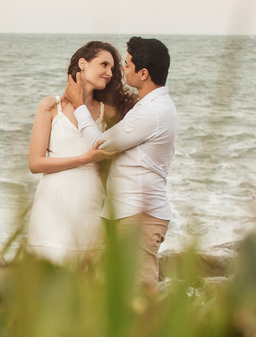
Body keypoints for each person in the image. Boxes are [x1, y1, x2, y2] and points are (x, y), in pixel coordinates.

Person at [62, 36, 178, 287]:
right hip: (129, 213)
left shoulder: (152, 112)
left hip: (139, 216)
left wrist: (79, 105)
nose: (121, 70)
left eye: (126, 65)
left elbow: (101, 143)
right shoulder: (150, 106)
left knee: (139, 294)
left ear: (144, 73)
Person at [26, 40, 137, 264]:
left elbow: (109, 168)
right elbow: (35, 164)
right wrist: (83, 159)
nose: (109, 72)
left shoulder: (110, 112)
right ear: (83, 63)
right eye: (104, 64)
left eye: (113, 68)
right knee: (49, 275)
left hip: (91, 201)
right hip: (53, 201)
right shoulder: (50, 106)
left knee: (87, 279)